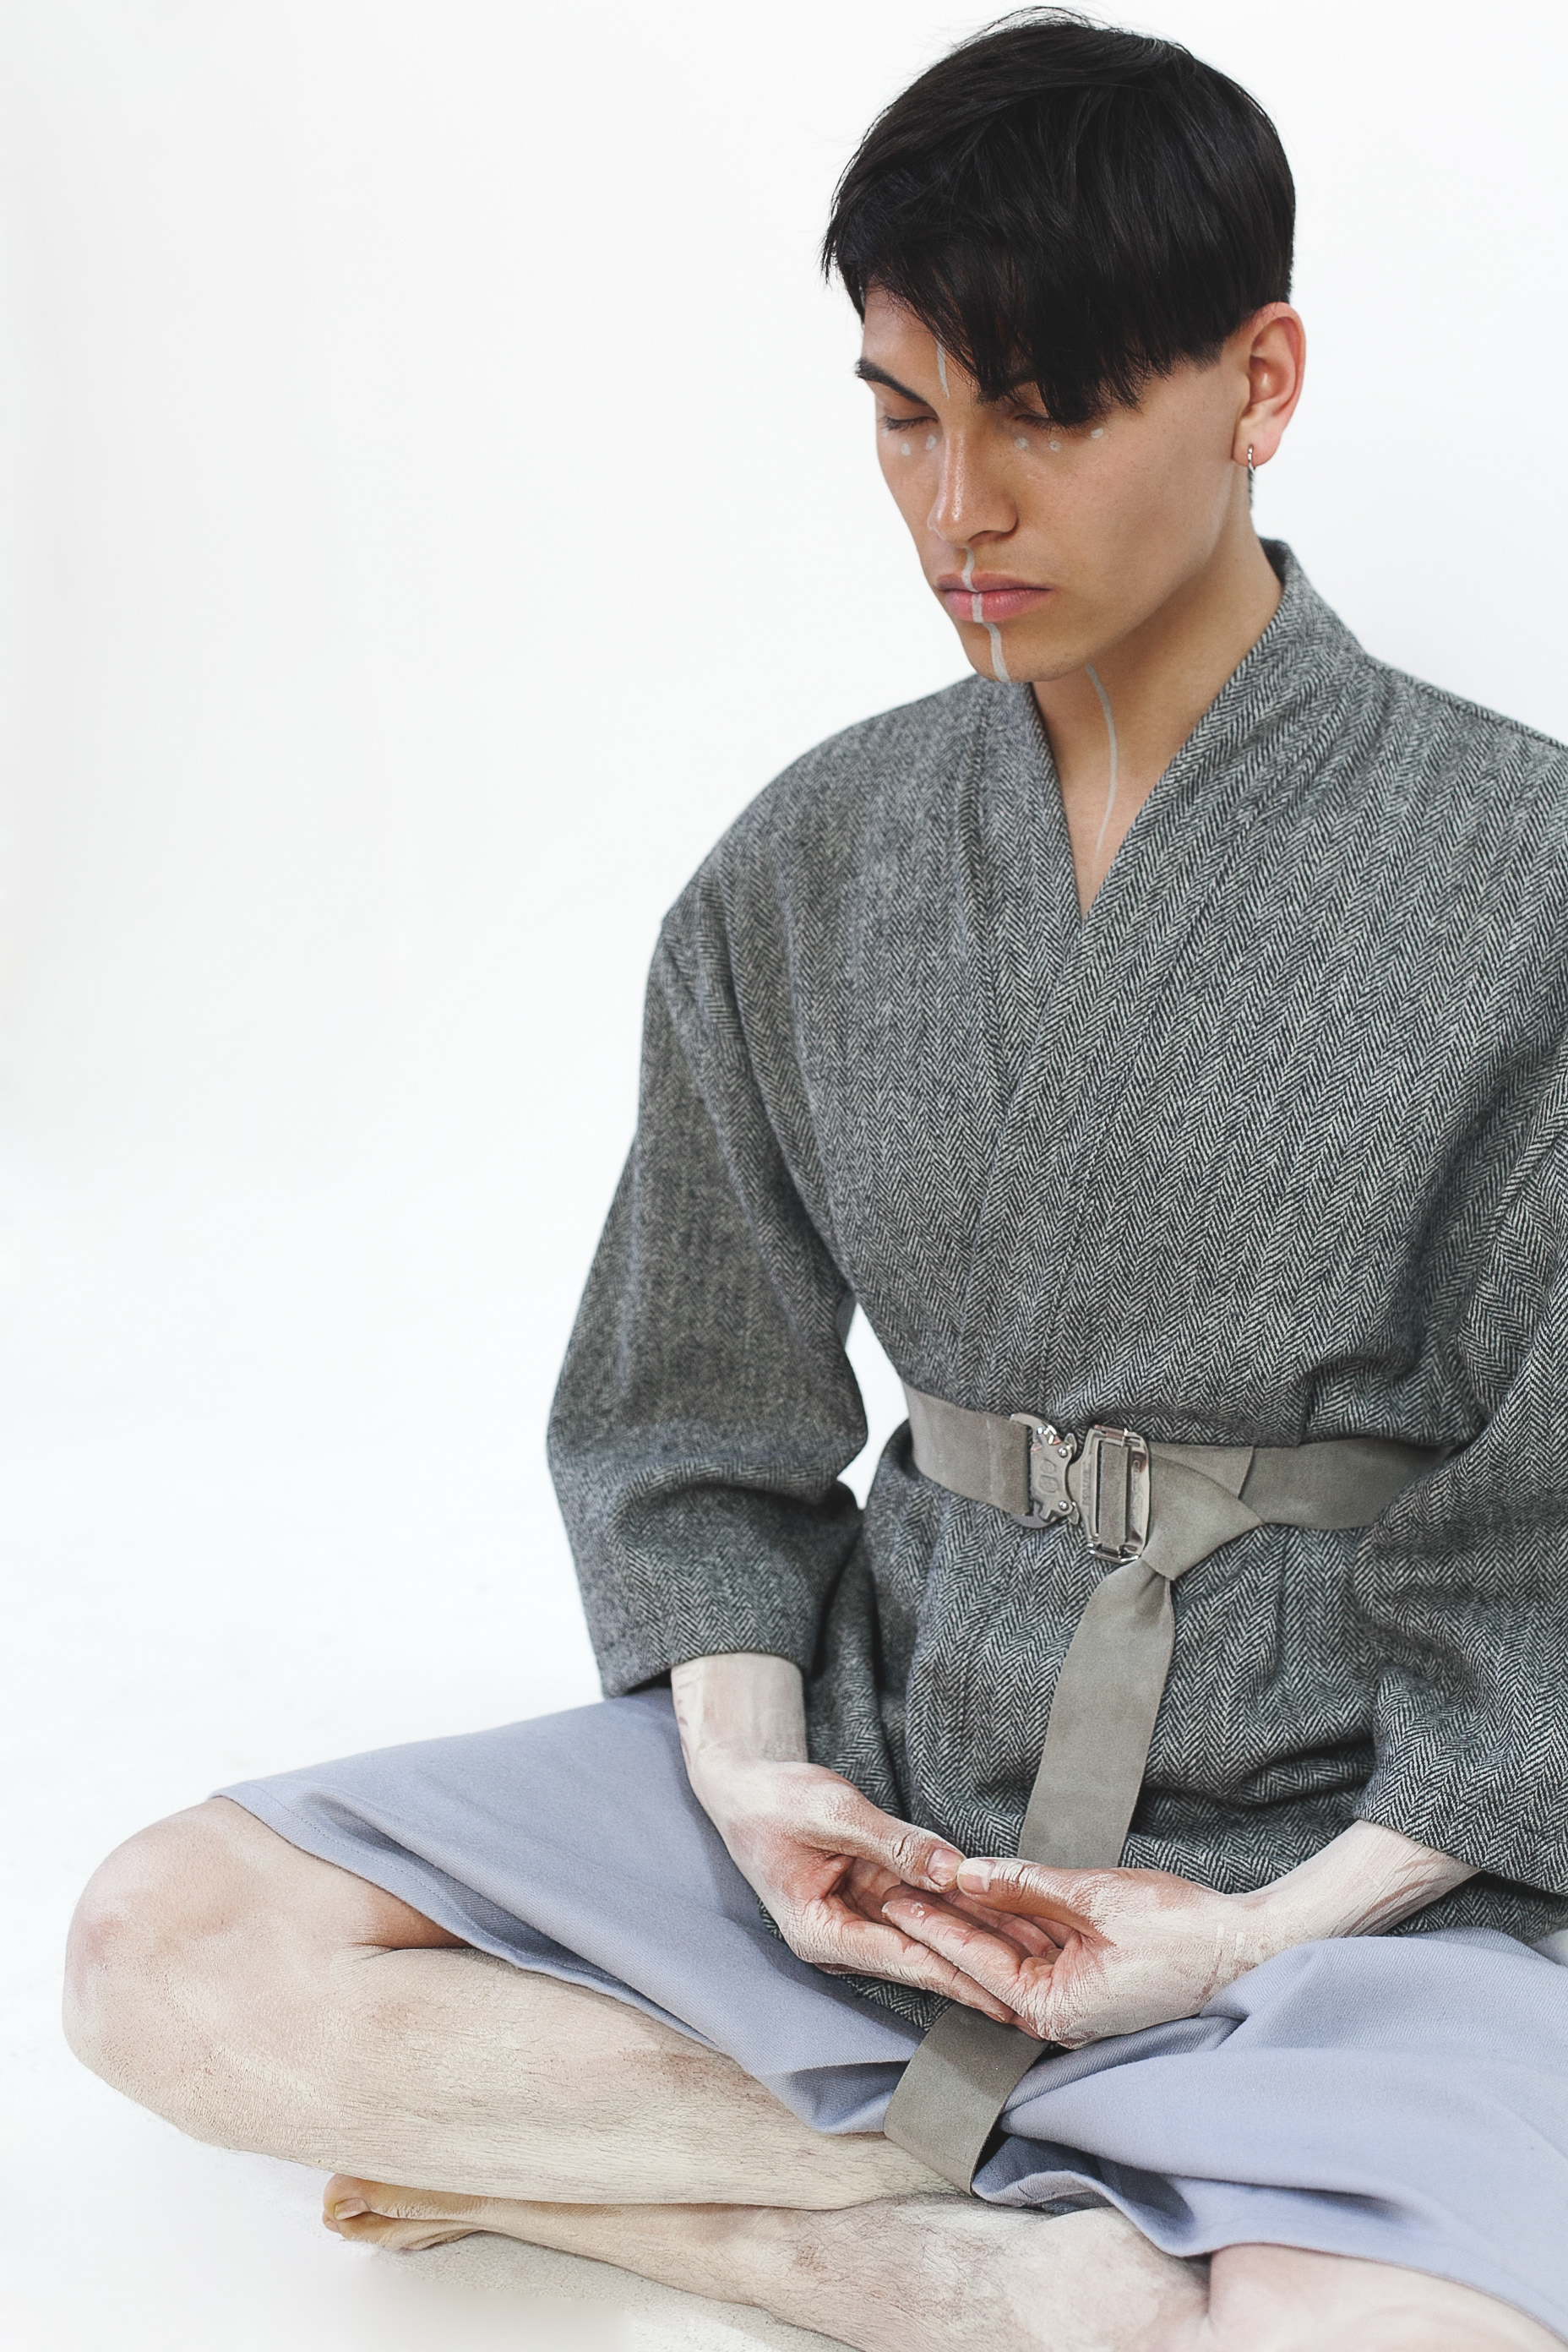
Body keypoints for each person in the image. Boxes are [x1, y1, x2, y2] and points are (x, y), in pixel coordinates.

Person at [62, 14, 1568, 2349]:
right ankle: (996, 2241)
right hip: (887, 1792)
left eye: (1044, 413)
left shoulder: (1524, 883)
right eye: (903, 413)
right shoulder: (813, 860)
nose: (961, 508)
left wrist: (1250, 1941)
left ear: (1261, 383)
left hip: (1352, 1869)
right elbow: (693, 1416)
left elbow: (1549, 1568)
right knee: (160, 1950)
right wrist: (764, 1793)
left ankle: (728, 2185)